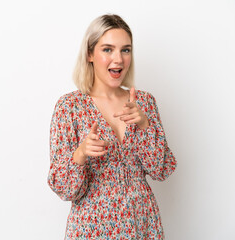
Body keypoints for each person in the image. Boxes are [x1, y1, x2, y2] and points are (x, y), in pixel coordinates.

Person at [47, 14, 177, 239]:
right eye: (107, 49)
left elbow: (161, 170)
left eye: (125, 50)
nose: (118, 59)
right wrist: (80, 153)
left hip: (142, 222)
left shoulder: (144, 103)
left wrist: (145, 125)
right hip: (92, 227)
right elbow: (63, 188)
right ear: (90, 54)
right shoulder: (69, 107)